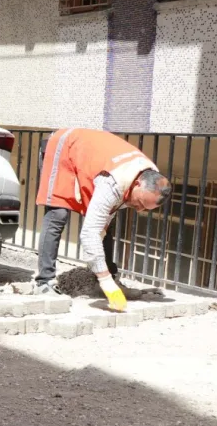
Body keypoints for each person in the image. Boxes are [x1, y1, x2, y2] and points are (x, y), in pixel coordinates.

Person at [34, 128, 172, 310]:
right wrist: (105, 280)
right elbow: (89, 234)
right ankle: (44, 281)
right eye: (139, 203)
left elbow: (102, 225)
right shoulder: (113, 182)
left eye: (145, 208)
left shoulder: (150, 176)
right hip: (65, 147)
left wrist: (107, 278)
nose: (139, 210)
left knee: (106, 226)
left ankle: (107, 280)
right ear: (137, 184)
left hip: (94, 159)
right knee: (57, 213)